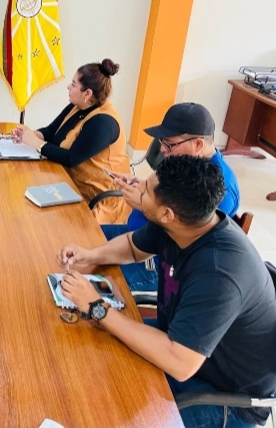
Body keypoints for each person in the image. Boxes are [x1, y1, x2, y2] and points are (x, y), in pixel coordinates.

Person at [57, 155, 276, 428]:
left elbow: (179, 363)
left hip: (224, 397)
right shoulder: (183, 223)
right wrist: (92, 255)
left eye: (146, 190)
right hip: (179, 343)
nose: (138, 187)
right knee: (85, 349)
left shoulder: (220, 272)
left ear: (167, 214)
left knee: (106, 413)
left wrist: (97, 306)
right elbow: (133, 247)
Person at [102, 102, 241, 292]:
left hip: (160, 261)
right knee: (80, 239)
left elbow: (184, 238)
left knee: (88, 277)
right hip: (136, 238)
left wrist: (142, 203)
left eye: (169, 144)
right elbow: (171, 198)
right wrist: (142, 186)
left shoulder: (218, 189)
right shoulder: (186, 164)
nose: (163, 150)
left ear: (198, 144)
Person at [11, 59, 131, 224]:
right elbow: (51, 131)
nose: (68, 87)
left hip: (99, 200)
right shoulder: (78, 106)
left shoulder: (103, 123)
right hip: (69, 184)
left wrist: (36, 143)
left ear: (87, 93)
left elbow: (70, 158)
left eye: (73, 84)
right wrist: (30, 135)